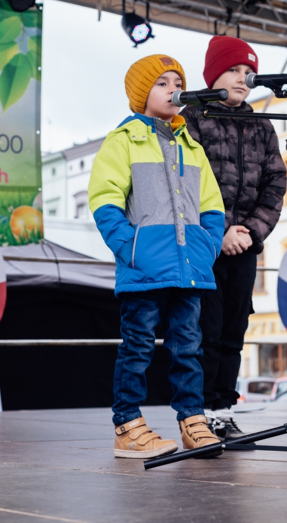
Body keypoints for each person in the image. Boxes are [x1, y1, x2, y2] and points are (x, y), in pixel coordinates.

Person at [88, 54, 225, 459]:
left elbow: (212, 207)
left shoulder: (192, 147)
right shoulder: (123, 140)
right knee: (138, 347)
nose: (172, 89)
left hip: (189, 270)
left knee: (188, 347)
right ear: (140, 93)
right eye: (162, 82)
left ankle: (192, 421)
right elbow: (104, 201)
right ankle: (127, 425)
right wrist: (131, 249)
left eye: (176, 81)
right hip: (144, 269)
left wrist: (207, 246)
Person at [182, 36, 287, 440]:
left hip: (245, 245)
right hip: (204, 244)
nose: (244, 79)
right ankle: (199, 414)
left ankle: (223, 409)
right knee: (203, 331)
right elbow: (187, 181)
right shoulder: (191, 117)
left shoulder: (261, 123)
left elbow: (276, 181)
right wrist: (220, 231)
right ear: (213, 74)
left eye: (248, 73)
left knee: (233, 331)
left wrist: (250, 231)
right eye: (234, 71)